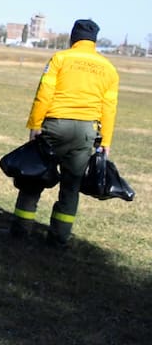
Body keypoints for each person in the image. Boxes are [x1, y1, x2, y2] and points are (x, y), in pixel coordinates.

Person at [11, 18, 119, 247]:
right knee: (71, 186)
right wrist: (106, 141)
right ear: (94, 41)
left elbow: (44, 93)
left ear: (73, 37)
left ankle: (20, 231)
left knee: (34, 177)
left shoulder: (60, 58)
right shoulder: (109, 68)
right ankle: (59, 238)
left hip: (55, 126)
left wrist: (35, 125)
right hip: (86, 132)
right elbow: (109, 108)